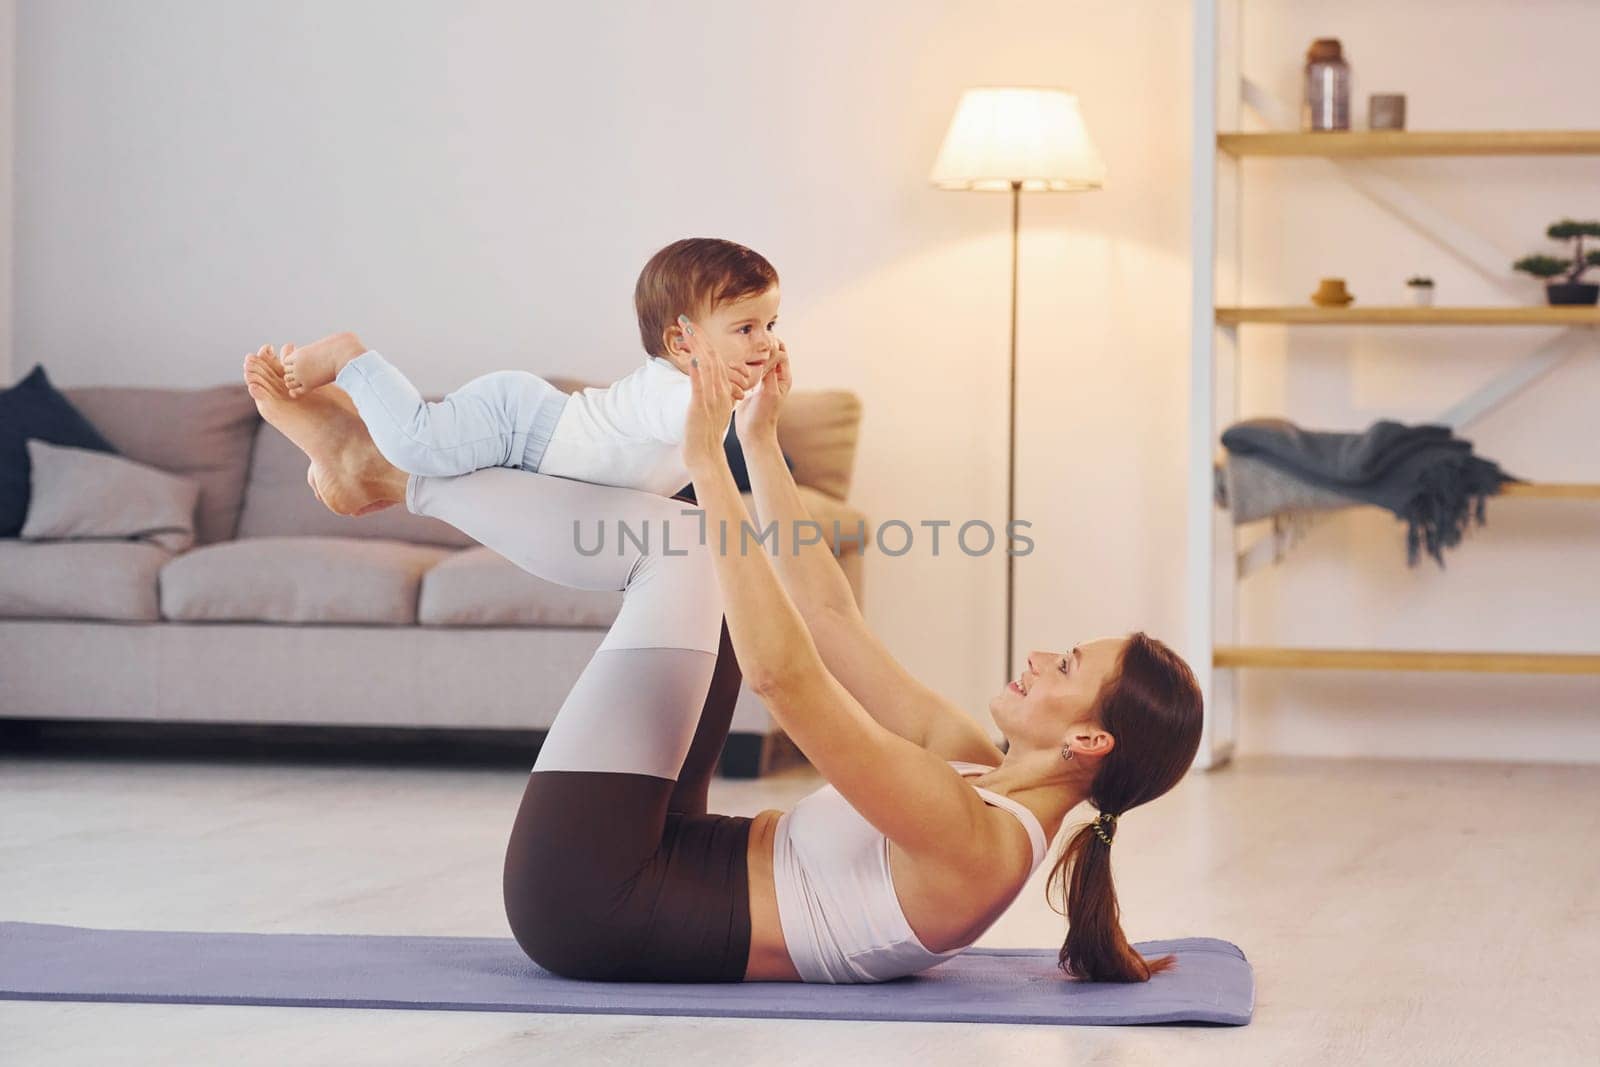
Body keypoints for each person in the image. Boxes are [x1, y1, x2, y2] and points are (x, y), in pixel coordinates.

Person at [239, 311, 1203, 985]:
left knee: (685, 544)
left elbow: (790, 678)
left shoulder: (975, 834)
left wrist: (709, 464)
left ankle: (391, 474)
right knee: (706, 538)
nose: (1041, 657)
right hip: (666, 854)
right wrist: (760, 440)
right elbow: (827, 618)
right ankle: (386, 471)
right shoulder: (978, 768)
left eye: (1068, 669)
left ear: (1090, 744)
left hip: (593, 897)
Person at [273, 237, 779, 513]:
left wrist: (753, 400)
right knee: (418, 446)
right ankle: (351, 361)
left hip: (530, 428)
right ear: (680, 342)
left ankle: (350, 440)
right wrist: (734, 404)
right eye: (745, 328)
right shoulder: (673, 393)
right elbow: (694, 434)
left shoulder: (694, 395)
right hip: (520, 425)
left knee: (427, 460)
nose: (765, 342)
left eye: (771, 325)